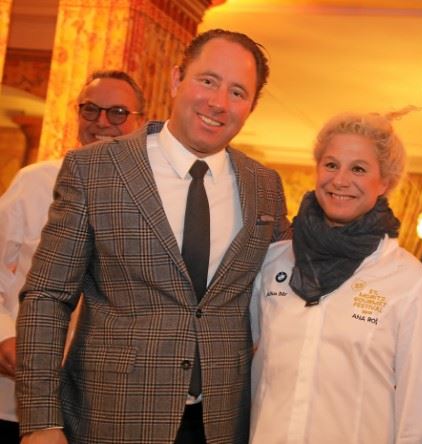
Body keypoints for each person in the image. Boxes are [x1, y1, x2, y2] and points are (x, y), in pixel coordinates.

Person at [15, 29, 290, 444]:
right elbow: (48, 296)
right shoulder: (94, 170)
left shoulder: (264, 185)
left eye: (238, 92)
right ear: (177, 79)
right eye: (208, 81)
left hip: (222, 424)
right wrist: (40, 421)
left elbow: (287, 285)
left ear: (251, 106)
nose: (219, 102)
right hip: (111, 418)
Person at [249, 110, 422, 443]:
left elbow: (415, 408)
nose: (340, 180)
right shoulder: (274, 262)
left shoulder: (408, 281)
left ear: (385, 183)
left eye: (359, 169)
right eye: (331, 164)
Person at [0, 69, 145, 444]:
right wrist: (4, 335)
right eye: (90, 109)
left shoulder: (151, 204)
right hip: (17, 397)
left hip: (101, 407)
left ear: (140, 122)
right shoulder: (34, 183)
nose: (102, 122)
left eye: (117, 113)